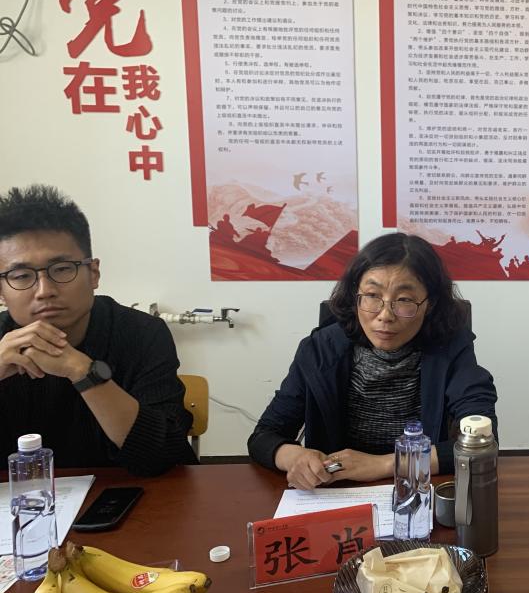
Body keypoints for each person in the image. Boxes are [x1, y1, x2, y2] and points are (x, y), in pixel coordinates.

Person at [248, 232, 498, 490]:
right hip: (336, 493)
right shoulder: (321, 350)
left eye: (404, 300)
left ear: (429, 304)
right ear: (355, 295)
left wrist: (384, 465)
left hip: (417, 490)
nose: (385, 315)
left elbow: (483, 443)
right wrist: (296, 457)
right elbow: (264, 436)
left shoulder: (451, 350)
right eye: (372, 295)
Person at [0, 185, 196, 476]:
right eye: (21, 275)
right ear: (2, 291)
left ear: (93, 273)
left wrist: (82, 371)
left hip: (130, 497)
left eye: (62, 269)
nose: (44, 291)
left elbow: (164, 456)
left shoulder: (142, 333)